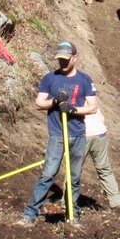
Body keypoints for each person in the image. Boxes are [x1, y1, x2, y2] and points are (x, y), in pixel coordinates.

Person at [22, 42, 97, 223]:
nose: (62, 63)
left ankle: (73, 215)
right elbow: (39, 103)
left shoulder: (85, 80)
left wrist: (72, 110)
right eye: (60, 60)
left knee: (74, 177)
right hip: (57, 134)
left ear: (75, 58)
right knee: (48, 173)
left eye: (65, 60)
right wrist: (54, 101)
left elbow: (93, 107)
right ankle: (30, 214)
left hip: (77, 134)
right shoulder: (50, 78)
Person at [83, 103, 120, 210]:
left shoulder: (73, 90)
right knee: (104, 169)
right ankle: (117, 202)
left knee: (73, 169)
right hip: (100, 132)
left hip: (83, 135)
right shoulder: (89, 89)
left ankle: (67, 203)